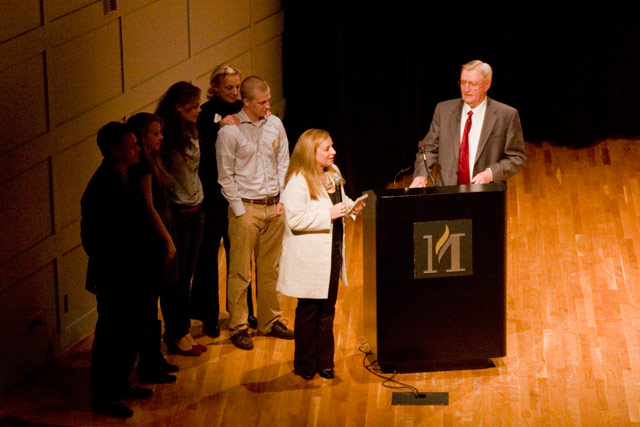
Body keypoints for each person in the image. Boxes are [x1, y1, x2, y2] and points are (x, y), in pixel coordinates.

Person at [276, 129, 364, 380]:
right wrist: (329, 215)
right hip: (310, 258)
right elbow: (295, 220)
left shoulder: (332, 175)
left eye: (332, 146)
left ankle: (325, 361)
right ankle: (305, 363)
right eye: (326, 149)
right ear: (311, 153)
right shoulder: (298, 181)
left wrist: (351, 207)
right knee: (308, 311)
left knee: (328, 309)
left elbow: (340, 202)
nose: (333, 152)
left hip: (331, 252)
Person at [81, 121, 154, 418]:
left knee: (129, 332)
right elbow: (95, 238)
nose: (138, 148)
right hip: (116, 275)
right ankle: (104, 396)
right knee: (111, 336)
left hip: (131, 272)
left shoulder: (124, 176)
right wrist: (120, 269)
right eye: (132, 144)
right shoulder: (101, 187)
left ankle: (122, 381)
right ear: (113, 150)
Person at [216, 75, 294, 350]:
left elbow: (284, 162)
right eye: (261, 102)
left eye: (269, 100)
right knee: (240, 271)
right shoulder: (230, 131)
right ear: (245, 102)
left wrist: (283, 199)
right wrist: (239, 211)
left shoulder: (275, 124)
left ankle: (270, 321)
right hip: (246, 208)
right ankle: (238, 325)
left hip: (274, 206)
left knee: (271, 268)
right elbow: (225, 177)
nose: (267, 105)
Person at [193, 63, 257, 337]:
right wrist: (220, 124)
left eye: (236, 87)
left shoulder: (243, 109)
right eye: (228, 87)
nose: (233, 92)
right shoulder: (205, 114)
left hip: (240, 194)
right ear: (216, 87)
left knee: (241, 256)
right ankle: (208, 315)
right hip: (212, 194)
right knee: (208, 256)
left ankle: (243, 312)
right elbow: (204, 145)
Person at [410, 60, 526, 188]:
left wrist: (491, 173)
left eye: (473, 84)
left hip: (486, 193)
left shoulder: (507, 115)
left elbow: (517, 157)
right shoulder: (443, 110)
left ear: (487, 85)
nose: (466, 89)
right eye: (463, 83)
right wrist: (420, 176)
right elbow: (428, 149)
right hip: (447, 192)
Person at [126, 113, 179, 383]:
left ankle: (154, 358)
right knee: (147, 306)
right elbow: (149, 208)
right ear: (143, 136)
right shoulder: (141, 168)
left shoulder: (153, 162)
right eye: (155, 133)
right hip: (150, 244)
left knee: (155, 302)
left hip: (158, 240)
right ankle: (148, 363)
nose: (161, 137)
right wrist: (168, 240)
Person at [156, 81, 207, 356]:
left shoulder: (192, 129)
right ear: (177, 108)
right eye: (194, 106)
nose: (198, 110)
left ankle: (182, 329)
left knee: (187, 274)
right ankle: (175, 333)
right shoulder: (165, 139)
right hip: (178, 212)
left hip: (196, 207)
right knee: (174, 279)